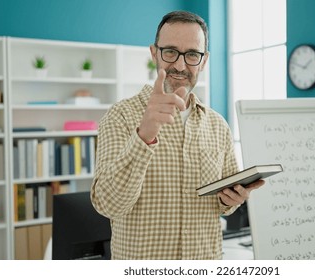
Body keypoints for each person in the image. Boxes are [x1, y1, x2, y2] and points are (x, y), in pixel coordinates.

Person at [91, 10, 264, 260]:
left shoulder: (217, 125)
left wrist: (234, 198)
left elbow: (225, 205)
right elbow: (109, 205)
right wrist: (145, 135)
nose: (180, 66)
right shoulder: (120, 116)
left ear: (204, 61)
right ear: (154, 54)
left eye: (192, 54)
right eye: (170, 51)